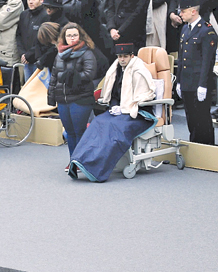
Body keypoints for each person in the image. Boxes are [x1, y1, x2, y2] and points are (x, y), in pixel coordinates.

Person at [68, 43, 158, 181]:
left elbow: (144, 97)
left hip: (138, 114)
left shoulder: (139, 71)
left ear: (131, 56)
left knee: (113, 128)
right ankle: (79, 160)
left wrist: (124, 108)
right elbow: (114, 95)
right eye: (120, 56)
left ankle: (95, 167)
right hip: (120, 111)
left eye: (125, 56)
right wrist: (116, 106)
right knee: (97, 121)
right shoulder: (116, 70)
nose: (122, 59)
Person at [49, 22, 98, 164]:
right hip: (63, 99)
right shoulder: (59, 54)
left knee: (79, 131)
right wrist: (51, 96)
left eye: (75, 35)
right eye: (69, 35)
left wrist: (74, 75)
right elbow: (53, 77)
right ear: (64, 37)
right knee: (69, 133)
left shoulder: (87, 52)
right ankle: (73, 161)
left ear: (80, 36)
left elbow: (89, 74)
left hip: (80, 98)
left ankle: (82, 161)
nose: (72, 38)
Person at [175, 0, 217, 145]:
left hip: (199, 81)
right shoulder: (185, 29)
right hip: (187, 81)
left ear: (193, 11)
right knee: (191, 116)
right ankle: (195, 144)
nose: (180, 14)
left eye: (183, 11)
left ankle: (206, 146)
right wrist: (179, 81)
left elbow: (207, 61)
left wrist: (203, 84)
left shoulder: (206, 31)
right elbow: (181, 58)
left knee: (202, 118)